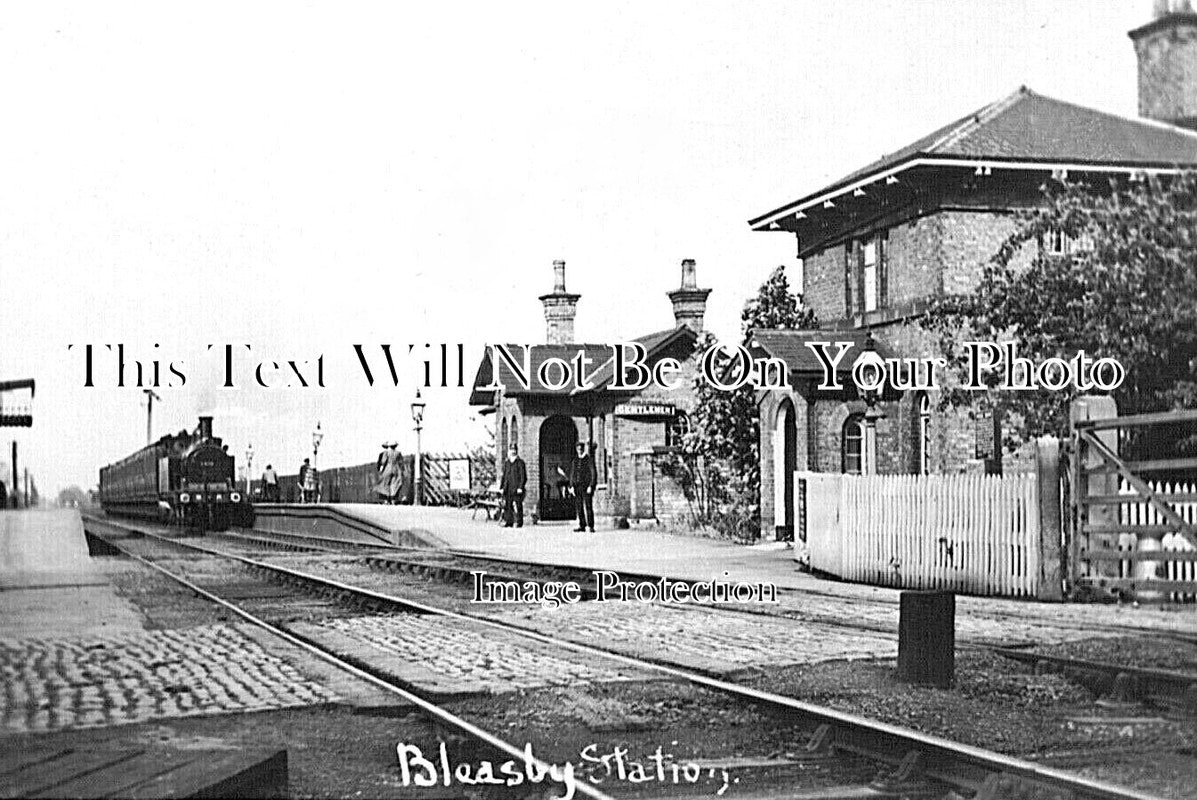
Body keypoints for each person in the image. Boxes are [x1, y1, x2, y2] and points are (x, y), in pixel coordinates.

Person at [570, 441, 597, 532]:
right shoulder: (575, 460)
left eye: (581, 449)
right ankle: (582, 525)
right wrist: (571, 486)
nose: (579, 451)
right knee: (579, 507)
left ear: (583, 449)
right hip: (577, 487)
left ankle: (591, 525)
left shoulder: (588, 459)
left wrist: (591, 485)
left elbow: (593, 473)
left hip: (586, 487)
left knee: (588, 506)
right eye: (578, 449)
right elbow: (572, 474)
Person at [499, 445, 527, 528]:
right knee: (508, 505)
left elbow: (523, 476)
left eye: (514, 450)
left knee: (518, 505)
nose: (513, 451)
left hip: (516, 488)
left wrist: (520, 487)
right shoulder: (507, 463)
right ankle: (509, 521)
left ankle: (519, 522)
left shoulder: (520, 462)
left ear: (516, 451)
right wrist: (501, 487)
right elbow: (504, 476)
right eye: (511, 450)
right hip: (508, 488)